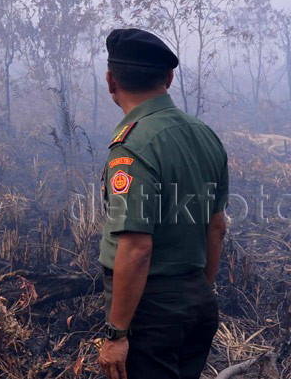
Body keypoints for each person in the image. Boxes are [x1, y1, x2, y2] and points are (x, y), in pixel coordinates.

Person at [96, 28, 229, 379]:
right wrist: (201, 290)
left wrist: (117, 334)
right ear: (169, 78)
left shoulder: (132, 146)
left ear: (111, 81)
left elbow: (137, 248)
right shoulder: (204, 134)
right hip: (197, 301)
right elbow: (217, 227)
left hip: (150, 314)